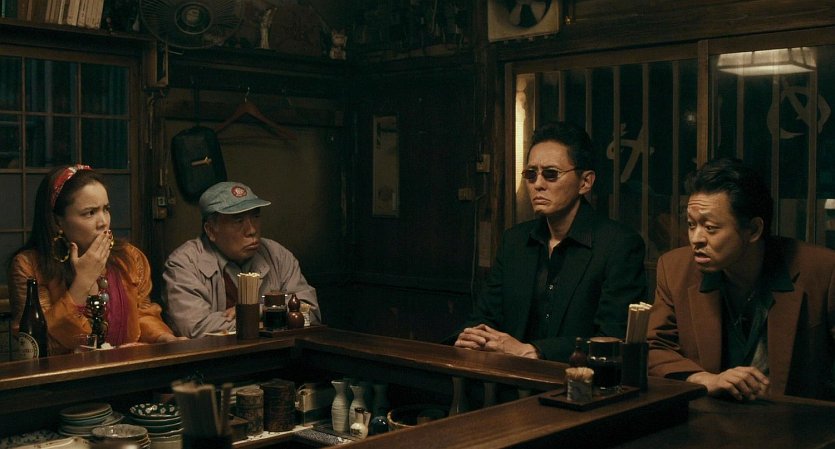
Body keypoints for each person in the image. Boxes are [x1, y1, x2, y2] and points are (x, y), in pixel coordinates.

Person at [453, 122, 648, 361]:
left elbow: (612, 337)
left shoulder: (619, 245)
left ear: (585, 182)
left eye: (551, 174)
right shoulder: (515, 241)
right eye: (531, 174)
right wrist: (473, 338)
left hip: (578, 378)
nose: (538, 184)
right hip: (509, 374)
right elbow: (484, 317)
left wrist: (535, 351)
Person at [647, 157, 835, 402]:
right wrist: (704, 379)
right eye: (692, 225)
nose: (696, 239)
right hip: (709, 413)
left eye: (710, 228)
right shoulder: (675, 269)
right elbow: (654, 347)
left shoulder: (822, 270)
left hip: (797, 418)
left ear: (754, 230)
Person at [8, 165, 180, 355]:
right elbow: (40, 345)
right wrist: (82, 283)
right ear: (58, 221)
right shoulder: (29, 265)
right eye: (90, 213)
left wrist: (164, 338)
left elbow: (143, 315)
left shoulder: (130, 257)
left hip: (127, 367)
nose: (103, 222)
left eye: (106, 209)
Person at [163, 181, 320, 338]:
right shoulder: (184, 263)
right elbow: (196, 329)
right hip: (217, 354)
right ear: (210, 230)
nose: (252, 230)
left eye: (255, 217)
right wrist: (278, 317)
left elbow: (310, 312)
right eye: (238, 221)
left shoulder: (277, 254)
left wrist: (260, 310)